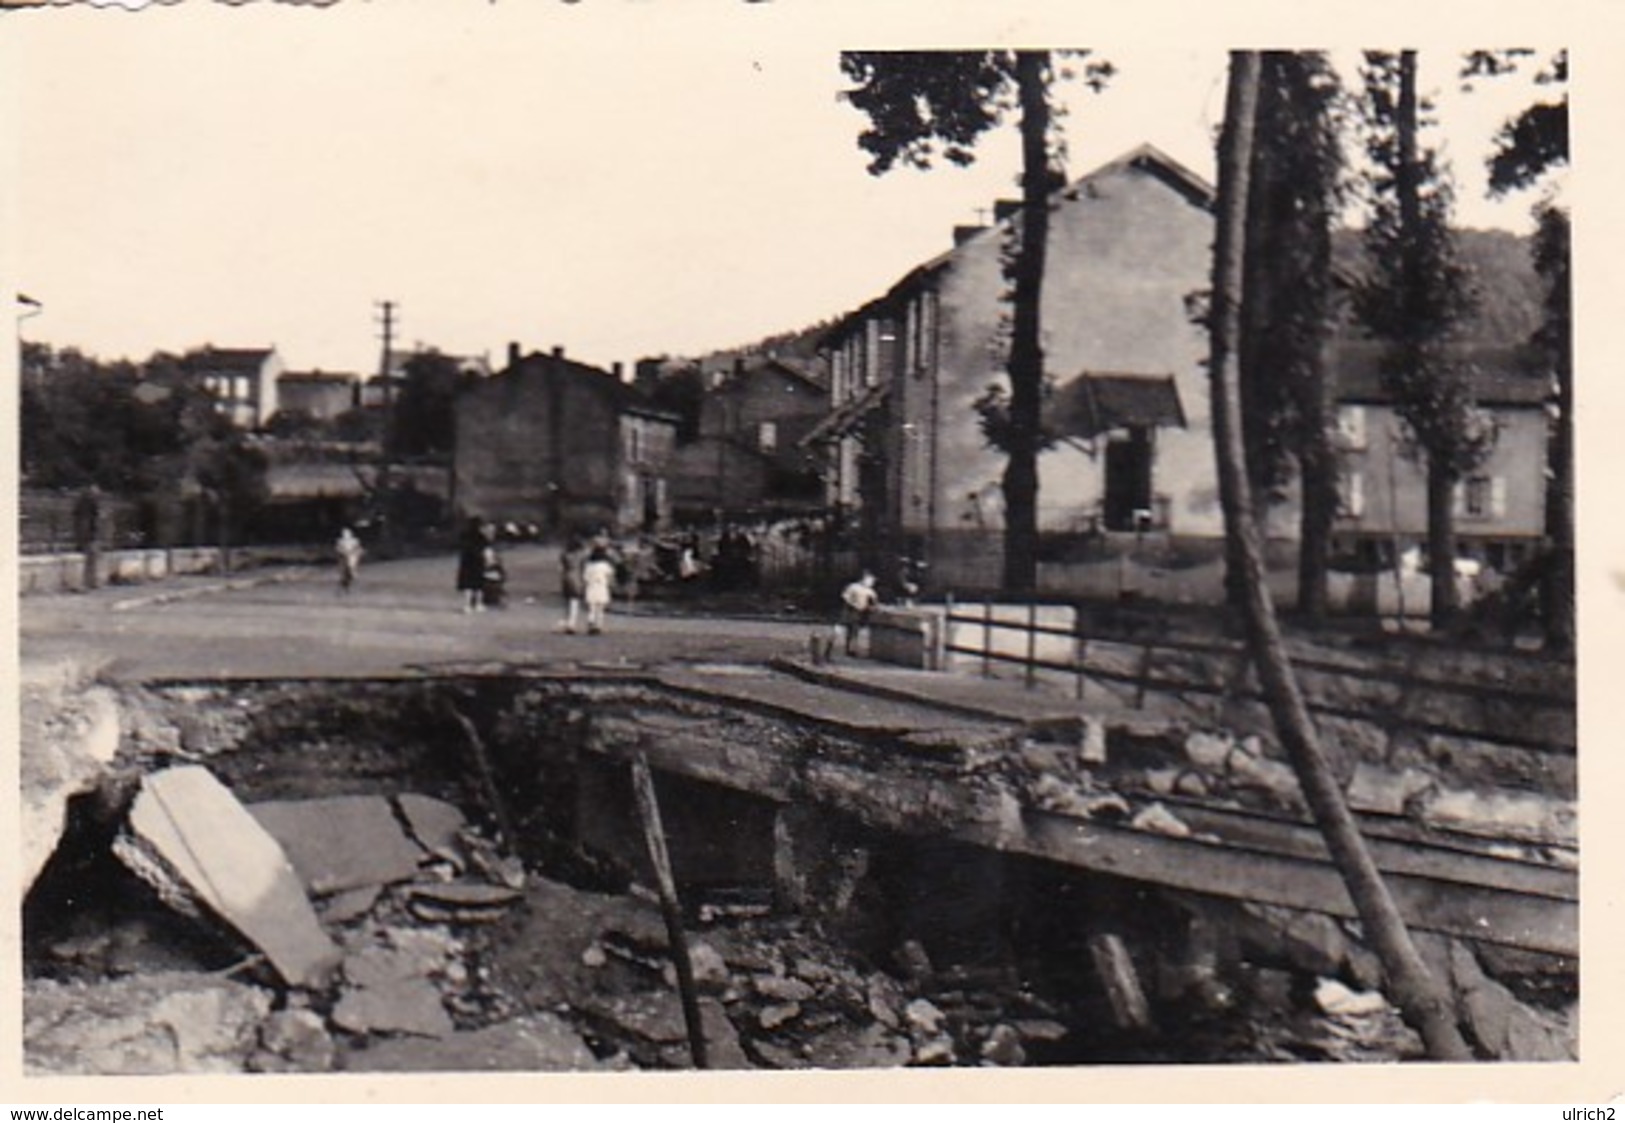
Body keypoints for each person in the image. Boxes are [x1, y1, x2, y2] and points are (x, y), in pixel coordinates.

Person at [837, 570, 880, 657]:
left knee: (859, 631)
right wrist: (852, 604)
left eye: (872, 581)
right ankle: (850, 648)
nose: (871, 582)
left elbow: (874, 602)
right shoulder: (853, 587)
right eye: (870, 580)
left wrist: (872, 607)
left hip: (863, 612)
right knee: (852, 630)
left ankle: (854, 647)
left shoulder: (870, 591)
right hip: (853, 610)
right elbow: (845, 597)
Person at [582, 546, 617, 635]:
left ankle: (591, 623)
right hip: (602, 587)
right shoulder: (605, 565)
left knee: (591, 608)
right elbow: (610, 575)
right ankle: (598, 626)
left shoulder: (589, 565)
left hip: (591, 587)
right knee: (600, 609)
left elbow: (585, 578)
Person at [457, 517, 488, 613]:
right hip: (478, 562)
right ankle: (478, 604)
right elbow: (485, 550)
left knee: (467, 585)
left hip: (466, 562)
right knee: (478, 585)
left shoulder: (464, 535)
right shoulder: (481, 537)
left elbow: (460, 546)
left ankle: (467, 606)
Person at [559, 535, 586, 634]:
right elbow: (584, 566)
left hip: (566, 577)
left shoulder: (565, 554)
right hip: (577, 577)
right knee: (575, 601)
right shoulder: (582, 555)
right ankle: (572, 624)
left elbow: (561, 567)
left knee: (567, 602)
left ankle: (567, 622)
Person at [335, 526, 364, 594]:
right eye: (344, 533)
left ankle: (348, 581)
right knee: (344, 571)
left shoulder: (355, 540)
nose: (346, 535)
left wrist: (358, 552)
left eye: (347, 533)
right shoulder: (340, 541)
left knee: (351, 569)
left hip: (352, 556)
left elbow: (358, 548)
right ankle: (344, 586)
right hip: (344, 557)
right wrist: (343, 551)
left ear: (350, 534)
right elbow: (337, 549)